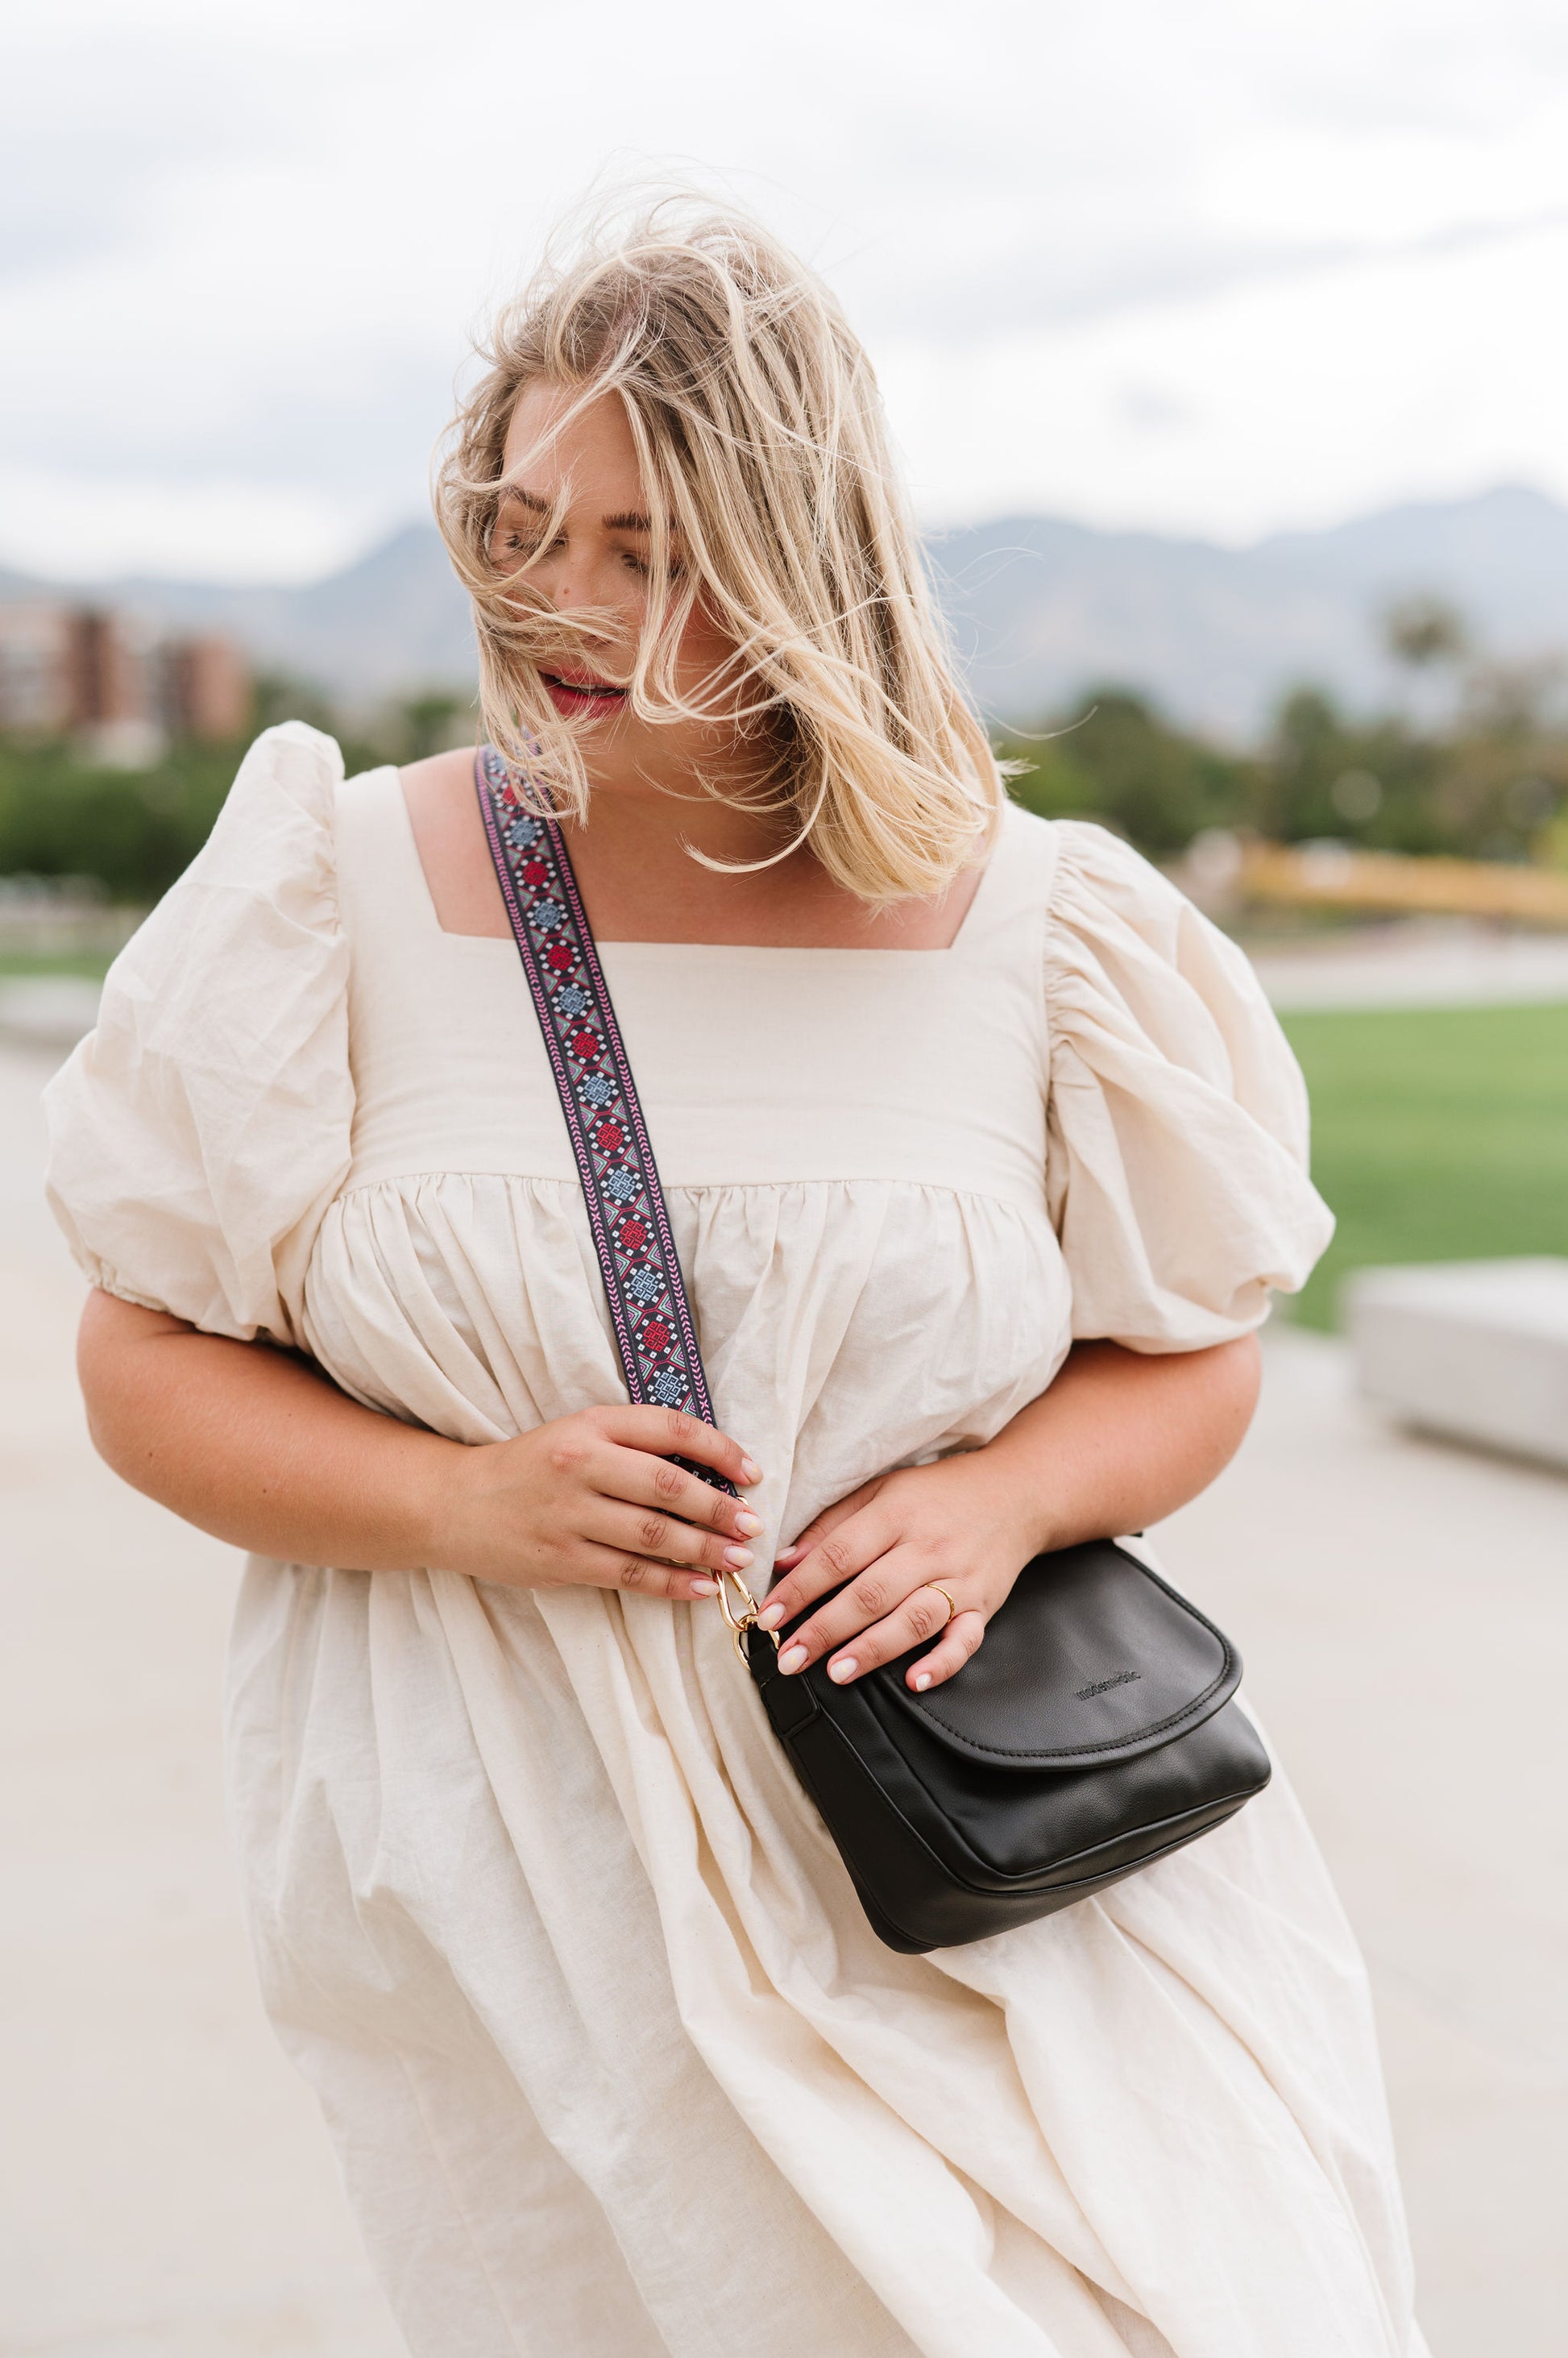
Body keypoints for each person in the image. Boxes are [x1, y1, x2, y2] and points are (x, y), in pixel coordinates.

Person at [44, 201, 1425, 2357]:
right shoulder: (334, 890)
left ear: (804, 549)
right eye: (523, 529)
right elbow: (140, 1360)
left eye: (650, 548)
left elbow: (1196, 1351)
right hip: (544, 1903)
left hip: (998, 1868)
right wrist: (454, 1502)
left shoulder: (1044, 925)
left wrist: (1002, 1499)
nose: (562, 603)